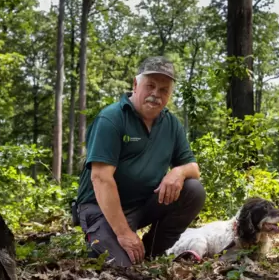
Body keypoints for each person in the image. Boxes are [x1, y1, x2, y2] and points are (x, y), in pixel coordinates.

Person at [75, 56, 206, 267]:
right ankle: (104, 238)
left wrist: (178, 172)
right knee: (122, 268)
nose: (156, 94)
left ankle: (152, 251)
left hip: (142, 205)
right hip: (100, 207)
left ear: (170, 94)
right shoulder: (111, 119)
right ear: (136, 85)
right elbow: (100, 178)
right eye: (150, 86)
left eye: (164, 90)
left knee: (193, 190)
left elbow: (194, 169)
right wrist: (124, 233)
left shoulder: (171, 124)